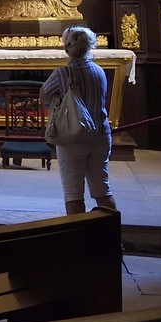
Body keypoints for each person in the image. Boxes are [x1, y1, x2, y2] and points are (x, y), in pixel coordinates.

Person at [42, 25, 117, 215]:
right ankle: (112, 236)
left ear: (67, 48)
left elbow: (44, 95)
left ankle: (79, 240)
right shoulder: (99, 71)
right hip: (101, 135)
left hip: (73, 136)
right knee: (102, 189)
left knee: (73, 194)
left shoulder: (63, 73)